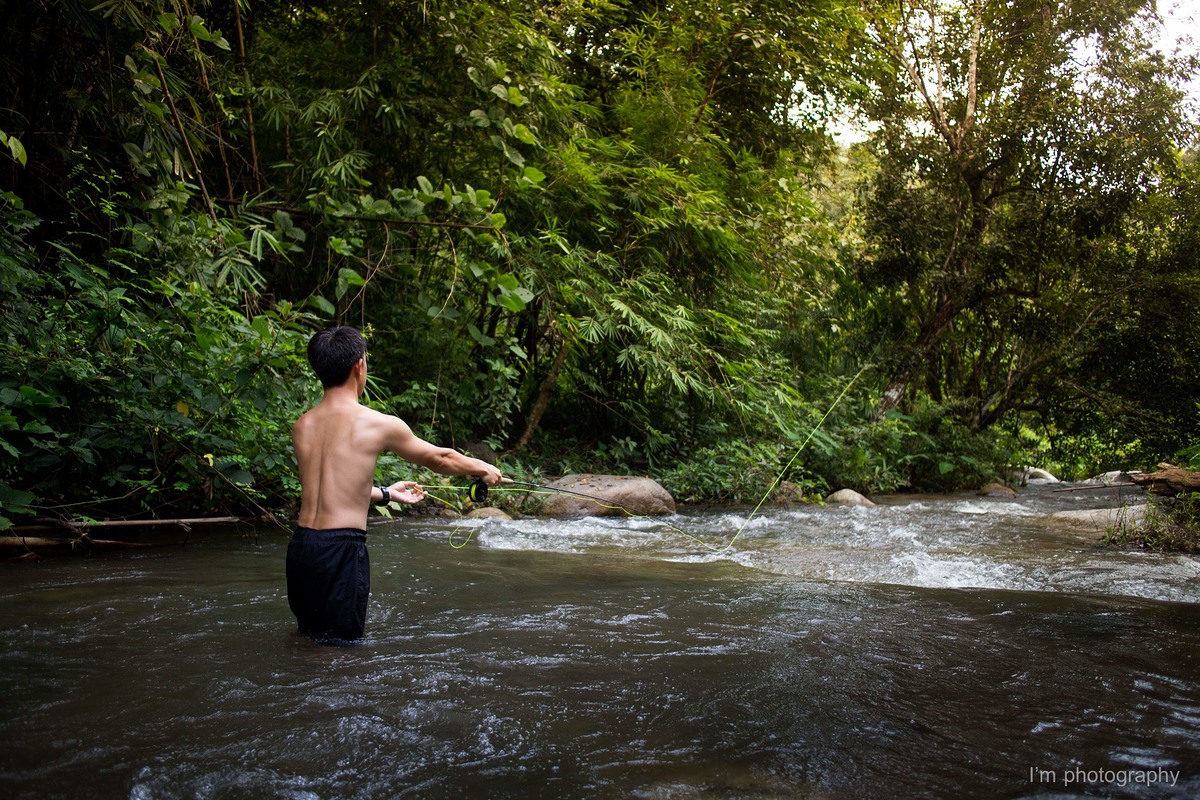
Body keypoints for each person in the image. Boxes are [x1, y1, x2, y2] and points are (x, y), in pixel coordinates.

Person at [287, 325, 503, 644]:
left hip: (302, 548)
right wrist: (483, 467)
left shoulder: (303, 425)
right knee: (338, 653)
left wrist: (387, 494)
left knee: (308, 640)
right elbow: (440, 458)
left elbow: (327, 487)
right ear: (359, 366)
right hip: (341, 550)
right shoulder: (376, 424)